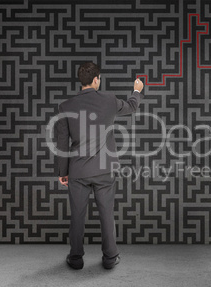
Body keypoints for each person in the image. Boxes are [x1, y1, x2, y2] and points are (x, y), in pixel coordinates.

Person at [55, 62, 144, 270]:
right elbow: (132, 106)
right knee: (106, 213)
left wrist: (62, 172)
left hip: (77, 171)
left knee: (77, 215)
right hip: (104, 169)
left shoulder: (65, 106)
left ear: (81, 81)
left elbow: (62, 142)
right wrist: (136, 91)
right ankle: (110, 257)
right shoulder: (109, 101)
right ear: (96, 79)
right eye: (99, 79)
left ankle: (76, 258)